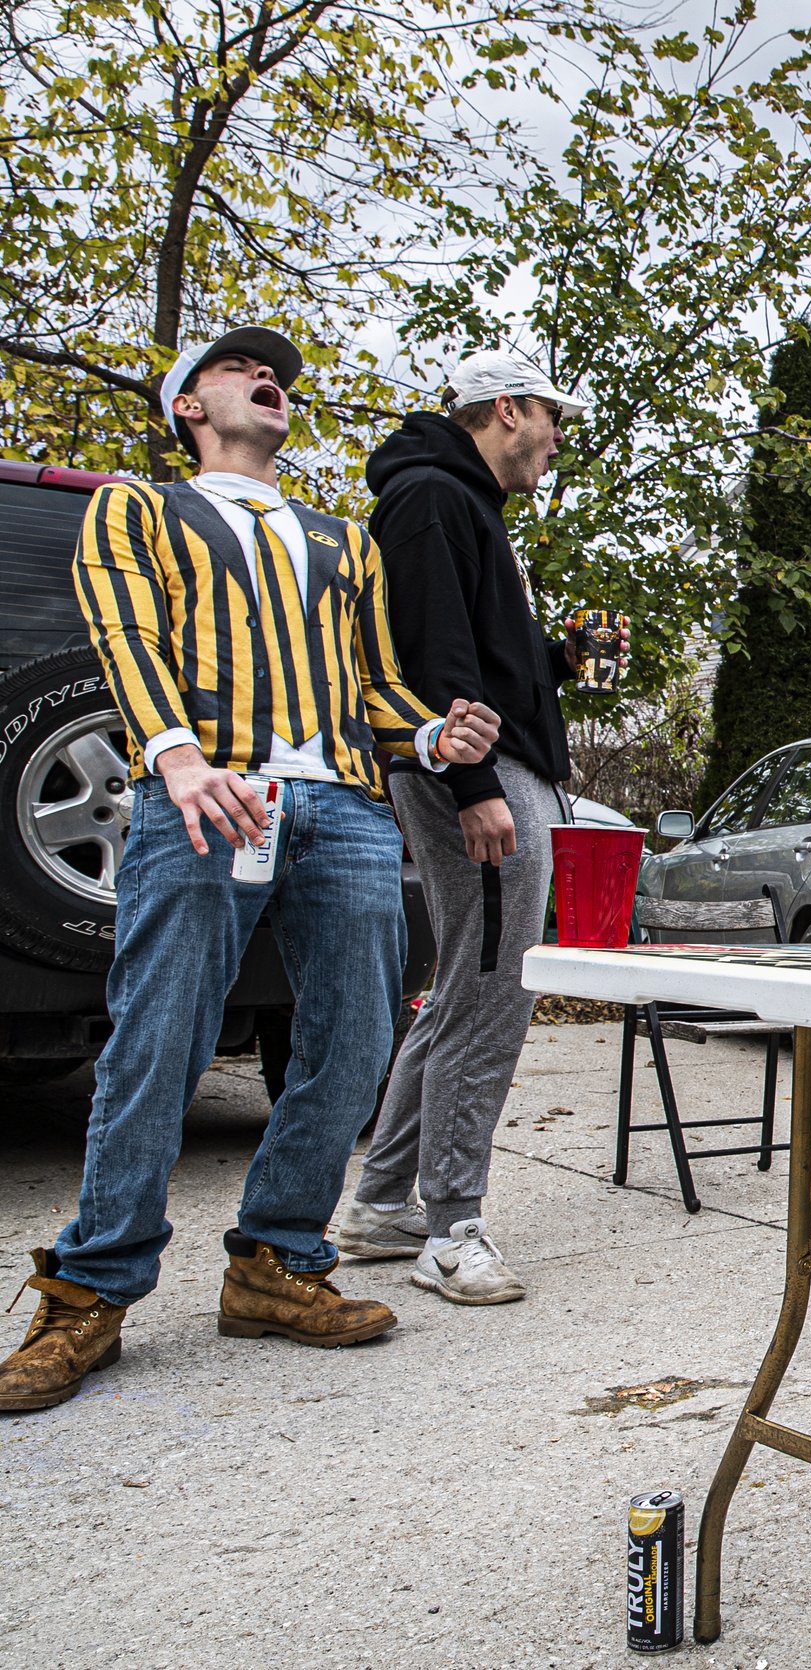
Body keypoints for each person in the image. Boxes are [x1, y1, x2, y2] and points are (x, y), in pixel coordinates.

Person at [1, 327, 502, 1414]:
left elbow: (374, 683)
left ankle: (276, 1261)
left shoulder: (341, 538)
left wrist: (432, 737)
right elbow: (126, 637)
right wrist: (176, 757)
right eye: (237, 367)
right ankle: (91, 1286)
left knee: (356, 1042)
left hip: (347, 811)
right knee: (160, 1037)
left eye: (275, 372)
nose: (267, 376)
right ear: (189, 407)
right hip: (205, 795)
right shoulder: (140, 509)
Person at [341, 350, 604, 1306]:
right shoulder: (431, 498)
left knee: (463, 988)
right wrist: (473, 784)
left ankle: (380, 1205)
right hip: (475, 777)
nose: (558, 440)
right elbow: (432, 658)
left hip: (486, 769)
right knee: (493, 993)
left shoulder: (462, 504)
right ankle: (451, 1231)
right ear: (508, 409)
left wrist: (558, 661)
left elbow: (480, 653)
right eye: (553, 419)